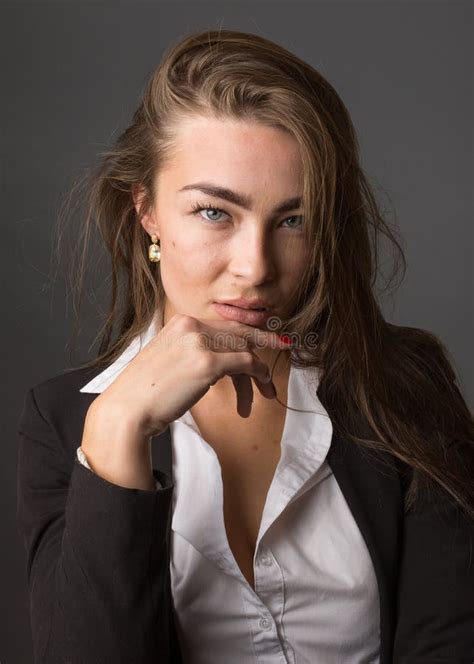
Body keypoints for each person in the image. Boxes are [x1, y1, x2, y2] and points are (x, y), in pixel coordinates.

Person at [16, 28, 474, 664]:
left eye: (293, 219)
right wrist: (117, 429)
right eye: (214, 212)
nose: (255, 267)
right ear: (145, 210)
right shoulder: (64, 420)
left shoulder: (401, 382)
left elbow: (449, 640)